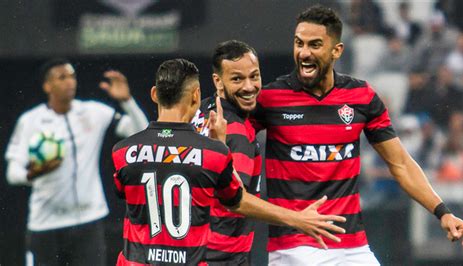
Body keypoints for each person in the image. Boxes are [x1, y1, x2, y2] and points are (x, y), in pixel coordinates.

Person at [253, 5, 463, 265]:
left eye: (315, 44)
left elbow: (400, 163)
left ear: (337, 51)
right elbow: (230, 141)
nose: (304, 52)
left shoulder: (360, 97)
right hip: (294, 248)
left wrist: (442, 212)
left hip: (353, 248)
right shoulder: (270, 99)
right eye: (299, 43)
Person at [111, 58, 347, 265]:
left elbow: (127, 193)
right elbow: (235, 200)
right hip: (204, 258)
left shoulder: (123, 152)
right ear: (196, 95)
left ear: (154, 94)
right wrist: (297, 218)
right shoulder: (213, 152)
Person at [4, 58, 148, 266]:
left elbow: (139, 132)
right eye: (61, 77)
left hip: (88, 221)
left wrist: (127, 101)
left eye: (72, 76)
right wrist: (33, 173)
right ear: (47, 85)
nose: (69, 82)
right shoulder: (30, 121)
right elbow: (12, 172)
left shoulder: (93, 112)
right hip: (45, 224)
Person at [191, 40, 262, 265]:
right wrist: (298, 219)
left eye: (255, 76)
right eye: (237, 79)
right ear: (217, 81)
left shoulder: (198, 111)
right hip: (223, 255)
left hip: (189, 249)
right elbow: (237, 200)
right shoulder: (237, 132)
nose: (249, 87)